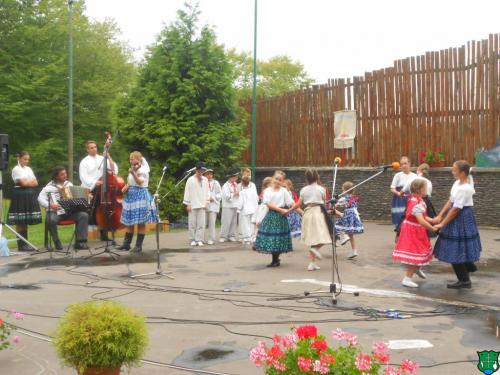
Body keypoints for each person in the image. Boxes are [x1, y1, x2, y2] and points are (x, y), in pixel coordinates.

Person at [433, 160, 481, 289]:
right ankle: (469, 265)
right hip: (458, 216)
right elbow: (450, 201)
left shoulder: (465, 188)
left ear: (463, 173)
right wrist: (439, 216)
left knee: (454, 249)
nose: (452, 171)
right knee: (460, 246)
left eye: (454, 170)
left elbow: (455, 209)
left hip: (462, 217)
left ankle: (465, 281)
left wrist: (442, 224)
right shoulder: (457, 183)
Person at [393, 179, 437, 288]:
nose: (427, 190)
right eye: (425, 188)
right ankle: (407, 279)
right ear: (420, 190)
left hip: (414, 229)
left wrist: (431, 220)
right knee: (417, 252)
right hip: (414, 230)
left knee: (420, 251)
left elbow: (421, 215)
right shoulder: (417, 202)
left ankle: (417, 269)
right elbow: (421, 220)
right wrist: (432, 228)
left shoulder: (416, 199)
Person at [289, 168, 332, 271]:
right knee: (326, 236)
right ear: (317, 176)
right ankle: (315, 249)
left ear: (307, 178)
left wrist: (288, 210)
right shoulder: (322, 189)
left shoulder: (303, 190)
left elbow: (299, 204)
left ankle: (312, 263)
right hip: (318, 212)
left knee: (313, 238)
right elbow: (325, 203)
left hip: (307, 213)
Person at [37, 166, 89, 250]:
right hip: (55, 212)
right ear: (56, 176)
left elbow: (76, 198)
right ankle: (56, 241)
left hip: (69, 212)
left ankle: (80, 242)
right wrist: (50, 205)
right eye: (62, 174)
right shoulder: (48, 188)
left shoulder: (69, 185)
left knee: (83, 215)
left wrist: (86, 197)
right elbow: (40, 199)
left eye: (65, 173)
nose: (65, 175)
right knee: (50, 219)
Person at [79, 139, 118, 241]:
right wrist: (95, 182)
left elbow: (114, 169)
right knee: (89, 212)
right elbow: (83, 177)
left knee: (103, 210)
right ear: (87, 149)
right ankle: (83, 237)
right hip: (91, 188)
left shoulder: (102, 158)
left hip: (103, 189)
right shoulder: (84, 162)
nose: (94, 149)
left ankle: (104, 234)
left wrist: (107, 156)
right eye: (91, 148)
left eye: (95, 147)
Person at [253, 171, 294, 267]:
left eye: (280, 180)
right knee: (271, 237)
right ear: (273, 178)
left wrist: (290, 210)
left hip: (281, 217)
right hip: (271, 215)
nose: (277, 181)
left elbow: (291, 203)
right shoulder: (267, 190)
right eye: (276, 179)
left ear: (283, 182)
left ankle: (275, 260)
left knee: (278, 238)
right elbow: (268, 204)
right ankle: (275, 259)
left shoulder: (284, 191)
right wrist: (281, 210)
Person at [117, 152, 157, 252]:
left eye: (132, 159)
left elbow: (140, 182)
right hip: (131, 196)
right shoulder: (134, 169)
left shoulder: (143, 169)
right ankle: (126, 244)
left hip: (140, 195)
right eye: (130, 159)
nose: (130, 161)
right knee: (130, 221)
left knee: (140, 222)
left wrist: (133, 173)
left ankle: (138, 246)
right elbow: (130, 182)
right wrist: (123, 189)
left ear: (138, 160)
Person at [7, 151, 42, 251]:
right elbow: (22, 183)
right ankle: (21, 245)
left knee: (25, 220)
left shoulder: (29, 169)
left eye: (28, 159)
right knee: (20, 221)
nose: (27, 161)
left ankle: (25, 243)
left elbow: (36, 183)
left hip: (29, 196)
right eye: (25, 159)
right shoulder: (16, 169)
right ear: (19, 158)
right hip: (20, 196)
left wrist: (27, 182)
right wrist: (27, 182)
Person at [183, 161, 210, 247]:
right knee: (192, 223)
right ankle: (192, 239)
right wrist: (188, 204)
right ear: (196, 170)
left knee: (201, 224)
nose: (201, 173)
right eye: (199, 171)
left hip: (202, 204)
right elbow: (187, 192)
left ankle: (199, 239)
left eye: (202, 171)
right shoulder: (190, 180)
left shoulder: (205, 180)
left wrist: (206, 202)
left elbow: (207, 192)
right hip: (193, 204)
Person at [335, 181, 364, 259]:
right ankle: (354, 251)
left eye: (343, 190)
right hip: (353, 216)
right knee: (350, 233)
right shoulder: (353, 197)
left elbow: (336, 205)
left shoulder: (344, 198)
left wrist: (334, 203)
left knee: (337, 226)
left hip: (348, 215)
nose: (342, 191)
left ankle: (343, 237)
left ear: (345, 190)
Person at [390, 156, 417, 232]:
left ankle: (408, 238)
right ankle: (399, 237)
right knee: (400, 217)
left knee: (410, 218)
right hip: (399, 199)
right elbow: (392, 188)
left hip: (411, 199)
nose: (403, 166)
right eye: (402, 164)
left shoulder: (414, 176)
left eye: (405, 163)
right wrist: (398, 193)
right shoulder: (397, 175)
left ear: (409, 164)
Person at [237, 168, 259, 244]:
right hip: (252, 209)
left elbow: (241, 200)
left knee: (247, 224)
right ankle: (245, 236)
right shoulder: (239, 186)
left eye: (249, 174)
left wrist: (238, 209)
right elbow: (256, 198)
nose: (249, 176)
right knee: (247, 223)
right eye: (247, 174)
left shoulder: (252, 186)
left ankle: (248, 237)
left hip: (245, 209)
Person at [220, 169, 240, 242]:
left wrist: (238, 194)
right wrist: (235, 194)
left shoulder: (236, 185)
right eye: (235, 176)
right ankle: (223, 236)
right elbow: (226, 197)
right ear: (231, 177)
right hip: (227, 206)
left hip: (235, 205)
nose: (237, 178)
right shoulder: (225, 186)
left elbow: (238, 195)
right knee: (226, 222)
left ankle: (231, 235)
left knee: (233, 222)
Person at [203, 167, 221, 245]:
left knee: (212, 223)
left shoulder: (216, 183)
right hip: (204, 205)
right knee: (202, 223)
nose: (209, 175)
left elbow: (220, 193)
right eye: (208, 174)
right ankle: (201, 238)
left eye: (211, 174)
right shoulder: (202, 182)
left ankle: (211, 239)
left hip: (213, 206)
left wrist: (213, 198)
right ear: (204, 175)